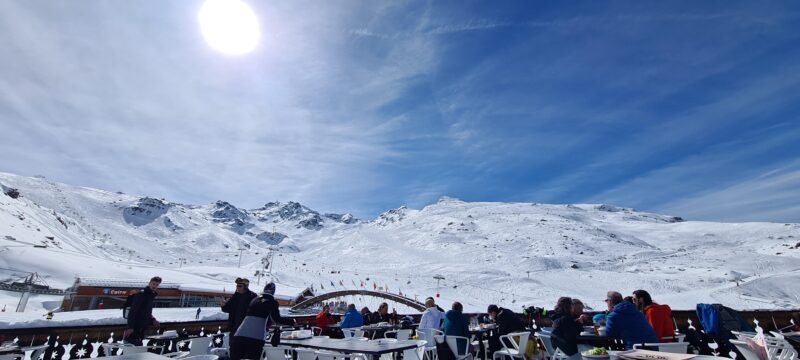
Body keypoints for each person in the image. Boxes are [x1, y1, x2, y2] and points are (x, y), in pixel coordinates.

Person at [230, 281, 295, 360]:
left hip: (239, 335)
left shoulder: (254, 300)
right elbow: (276, 319)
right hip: (255, 338)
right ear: (273, 292)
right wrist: (292, 322)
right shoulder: (272, 302)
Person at [124, 276, 161, 346]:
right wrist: (130, 327)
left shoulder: (150, 295)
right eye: (153, 284)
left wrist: (153, 319)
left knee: (136, 352)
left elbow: (146, 312)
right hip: (135, 328)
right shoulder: (141, 294)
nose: (155, 286)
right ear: (149, 283)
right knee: (130, 352)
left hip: (141, 328)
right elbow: (132, 311)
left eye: (157, 285)